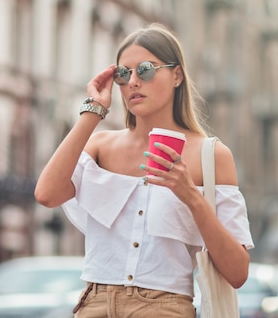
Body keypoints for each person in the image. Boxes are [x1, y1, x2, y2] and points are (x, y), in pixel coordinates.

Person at [35, 23, 254, 317]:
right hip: (94, 303)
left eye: (146, 69)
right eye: (123, 74)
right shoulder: (100, 145)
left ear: (177, 75)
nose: (133, 82)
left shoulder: (211, 155)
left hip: (164, 307)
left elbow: (238, 272)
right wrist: (93, 112)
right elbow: (47, 194)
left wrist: (190, 195)